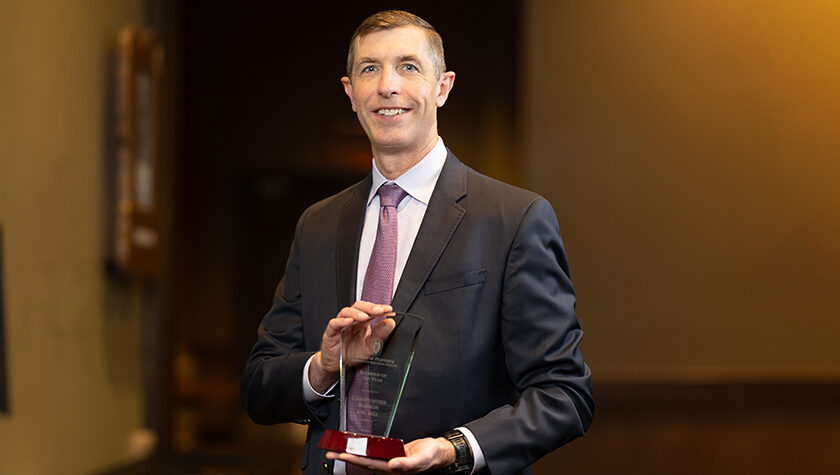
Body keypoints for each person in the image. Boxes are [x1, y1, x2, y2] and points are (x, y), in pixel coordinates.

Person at [241, 10, 593, 475]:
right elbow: (260, 387)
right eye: (370, 68)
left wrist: (454, 449)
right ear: (350, 93)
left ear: (442, 87)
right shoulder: (318, 226)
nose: (388, 85)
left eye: (408, 66)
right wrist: (322, 367)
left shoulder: (513, 219)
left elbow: (564, 395)